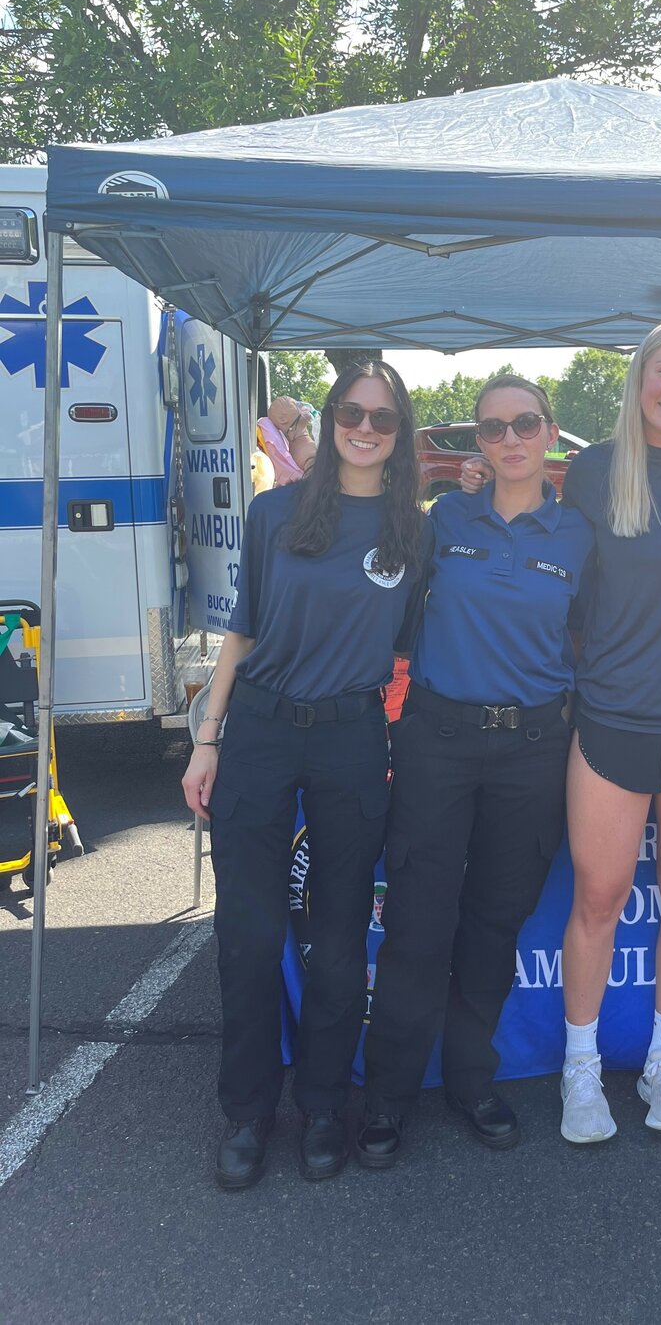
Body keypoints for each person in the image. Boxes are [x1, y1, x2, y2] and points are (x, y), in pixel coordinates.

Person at [460, 319, 661, 1142]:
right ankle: (579, 1073)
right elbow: (528, 528)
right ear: (640, 379)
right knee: (598, 897)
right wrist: (476, 479)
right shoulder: (590, 469)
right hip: (614, 715)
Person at [181, 361, 430, 1190]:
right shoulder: (274, 510)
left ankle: (324, 1104)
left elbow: (425, 641)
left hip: (353, 736)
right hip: (258, 730)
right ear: (327, 420)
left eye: (383, 418)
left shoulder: (411, 531)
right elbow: (242, 629)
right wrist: (207, 737)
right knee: (248, 936)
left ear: (400, 433)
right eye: (350, 412)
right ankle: (249, 1113)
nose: (364, 427)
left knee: (335, 939)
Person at [357, 376, 593, 1167]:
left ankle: (469, 1080)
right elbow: (381, 606)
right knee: (419, 923)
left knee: (494, 925)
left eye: (524, 423)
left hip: (532, 749)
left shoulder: (577, 535)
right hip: (438, 740)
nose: (509, 440)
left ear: (551, 433)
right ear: (477, 445)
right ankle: (387, 1097)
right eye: (491, 430)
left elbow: (597, 642)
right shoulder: (441, 519)